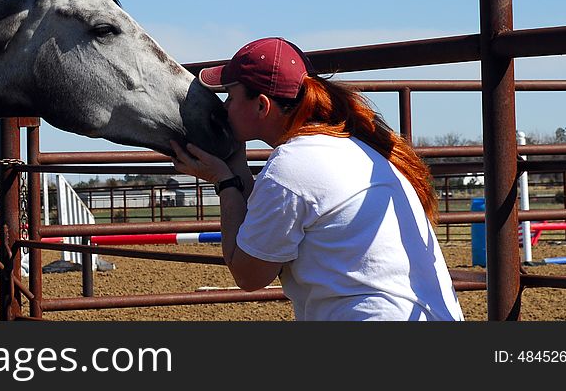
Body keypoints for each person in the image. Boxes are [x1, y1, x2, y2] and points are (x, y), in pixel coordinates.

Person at [169, 37, 464, 321]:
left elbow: (249, 275)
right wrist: (236, 168)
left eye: (230, 97)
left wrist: (225, 183)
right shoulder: (348, 146)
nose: (223, 108)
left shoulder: (291, 165)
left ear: (261, 106)